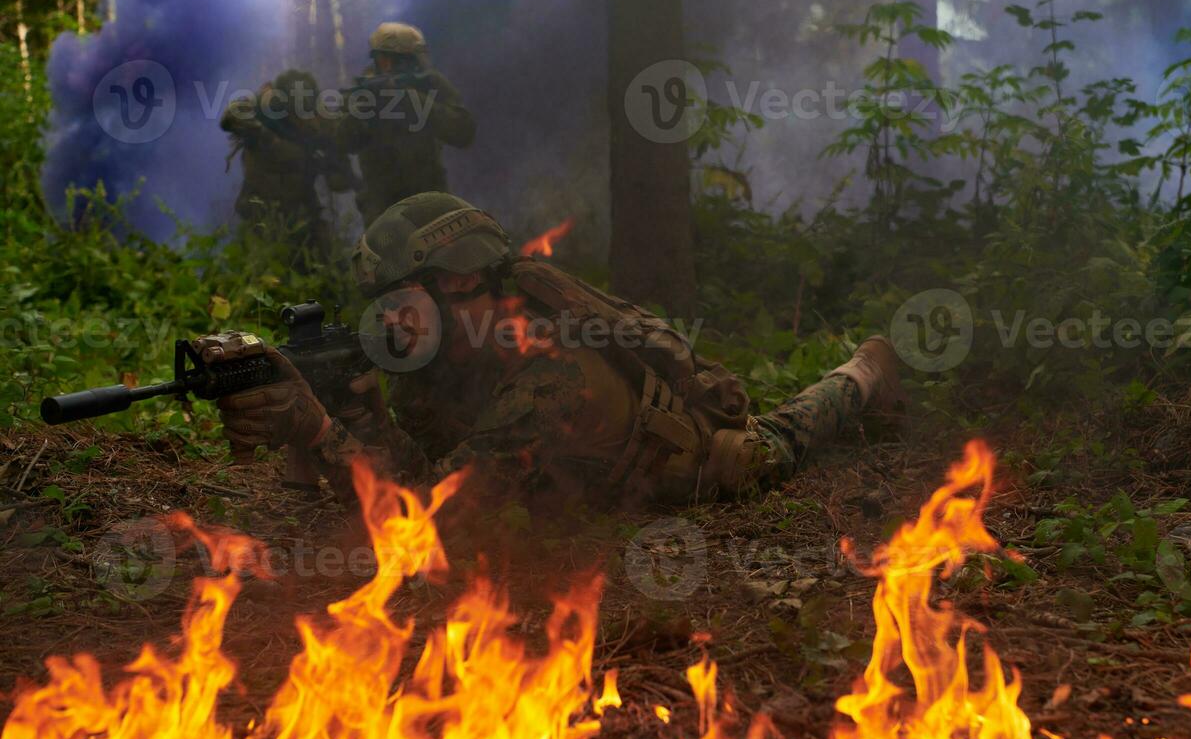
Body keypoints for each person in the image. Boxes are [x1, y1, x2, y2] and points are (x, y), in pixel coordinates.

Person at [213, 192, 905, 506]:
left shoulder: (550, 376)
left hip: (679, 461)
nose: (389, 321)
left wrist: (317, 427)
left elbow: (427, 521)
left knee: (773, 445)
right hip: (554, 481)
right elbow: (416, 467)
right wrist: (361, 421)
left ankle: (863, 372)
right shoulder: (440, 352)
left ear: (457, 281)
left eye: (400, 299)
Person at [339, 23, 476, 227]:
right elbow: (344, 141)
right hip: (383, 208)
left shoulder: (429, 84)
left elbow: (463, 131)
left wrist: (411, 100)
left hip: (431, 201)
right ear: (384, 61)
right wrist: (362, 113)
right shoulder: (364, 93)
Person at [221, 69, 354, 266]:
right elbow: (229, 118)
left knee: (329, 269)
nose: (305, 119)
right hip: (262, 213)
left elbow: (340, 181)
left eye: (308, 111)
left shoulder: (319, 121)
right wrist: (263, 135)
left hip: (305, 213)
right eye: (297, 112)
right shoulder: (265, 113)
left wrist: (334, 160)